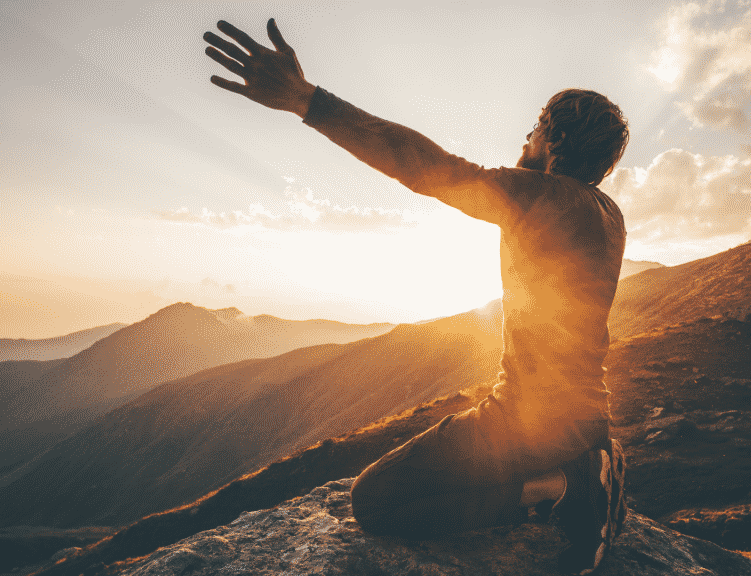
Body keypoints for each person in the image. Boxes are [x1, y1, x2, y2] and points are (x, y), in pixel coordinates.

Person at [204, 18, 629, 575]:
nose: (523, 141)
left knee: (375, 501)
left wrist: (308, 101)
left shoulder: (539, 197)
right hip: (583, 418)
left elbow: (428, 169)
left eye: (534, 128)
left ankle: (562, 490)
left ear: (555, 139)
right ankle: (582, 468)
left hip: (525, 423)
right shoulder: (609, 215)